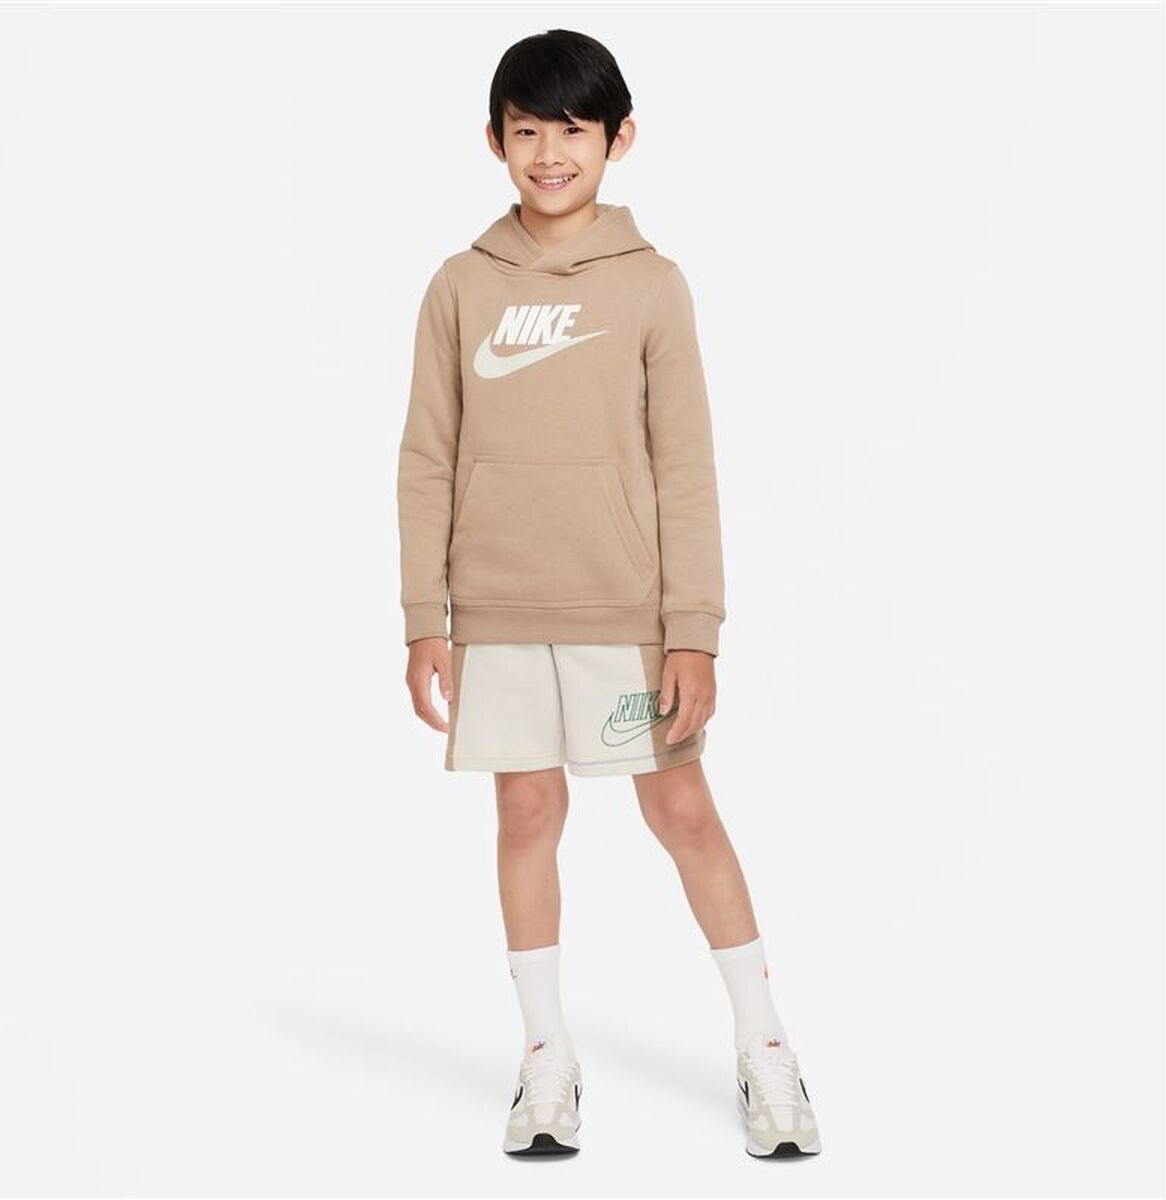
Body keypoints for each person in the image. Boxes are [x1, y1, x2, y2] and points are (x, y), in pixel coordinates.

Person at [396, 28, 821, 1160]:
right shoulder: (459, 286)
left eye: (572, 130)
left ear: (618, 139)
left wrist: (694, 631)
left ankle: (766, 1046)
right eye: (526, 130)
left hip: (625, 617)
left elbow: (686, 465)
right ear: (494, 141)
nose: (549, 153)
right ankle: (546, 1061)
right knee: (526, 816)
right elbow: (426, 459)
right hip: (497, 614)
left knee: (682, 813)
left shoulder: (652, 286)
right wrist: (424, 620)